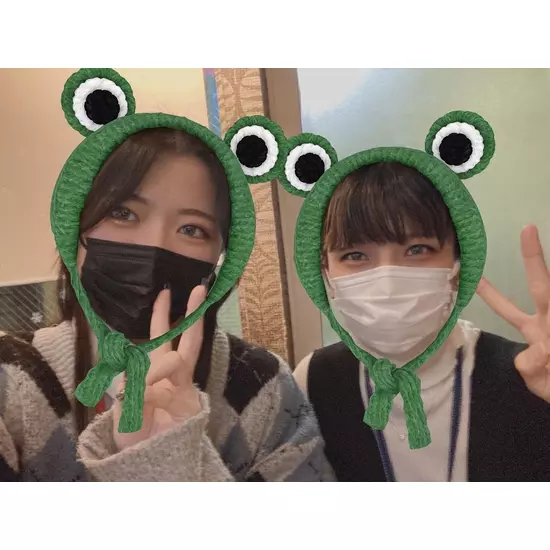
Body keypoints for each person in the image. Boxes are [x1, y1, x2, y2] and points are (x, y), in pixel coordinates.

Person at [0, 127, 334, 481]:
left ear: (223, 257)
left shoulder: (262, 387)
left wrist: (174, 461)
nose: (154, 244)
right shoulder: (10, 378)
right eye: (123, 213)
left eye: (192, 229)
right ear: (75, 224)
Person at [294, 161, 550, 481]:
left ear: (457, 265)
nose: (388, 285)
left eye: (418, 249)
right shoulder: (315, 379)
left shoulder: (529, 375)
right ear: (326, 274)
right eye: (355, 255)